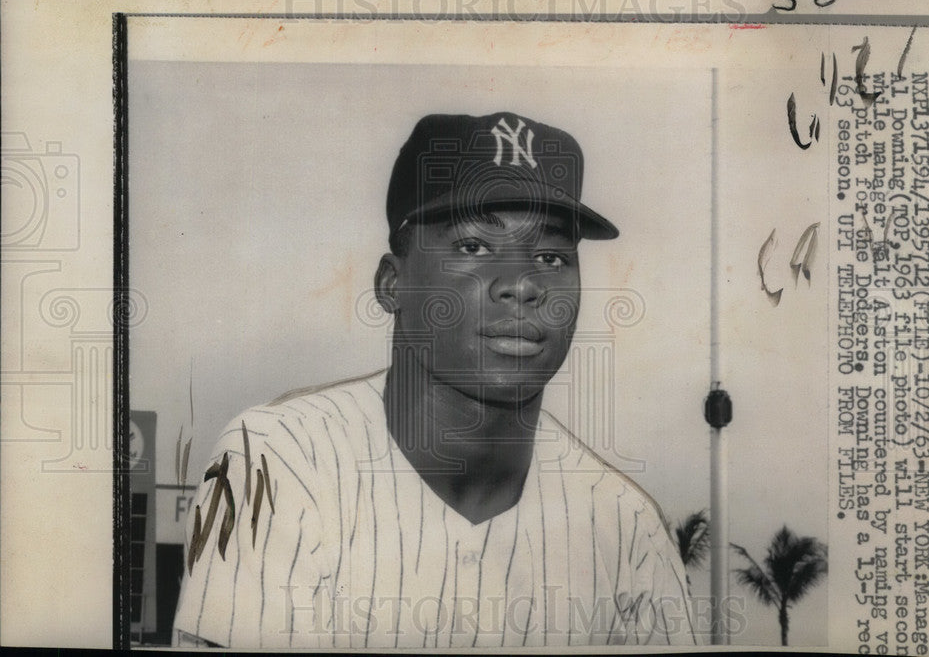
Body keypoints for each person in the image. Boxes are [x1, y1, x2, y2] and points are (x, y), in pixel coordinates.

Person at [172, 112, 697, 648]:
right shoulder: (277, 461)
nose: (521, 284)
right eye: (472, 247)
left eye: (550, 256)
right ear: (391, 284)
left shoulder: (628, 528)